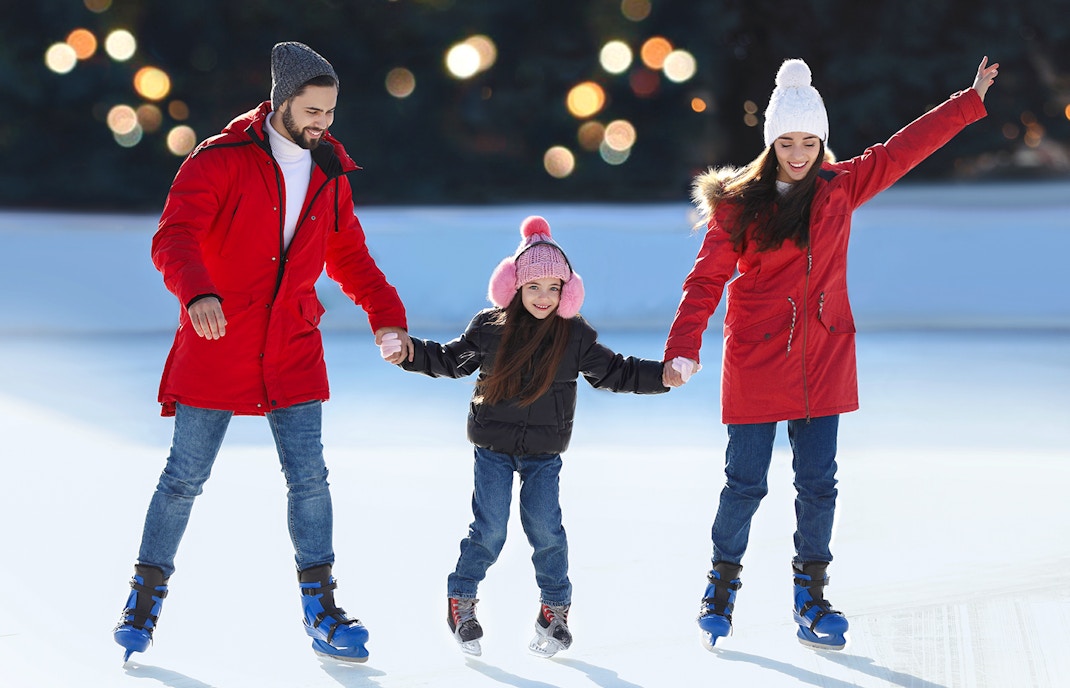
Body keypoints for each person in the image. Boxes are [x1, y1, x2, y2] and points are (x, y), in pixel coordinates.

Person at [662, 56, 999, 651]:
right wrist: (683, 347)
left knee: (819, 485)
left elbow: (900, 151)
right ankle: (720, 589)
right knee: (745, 484)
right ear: (770, 142)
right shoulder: (740, 204)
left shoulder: (839, 189)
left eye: (809, 141)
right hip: (758, 359)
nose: (798, 153)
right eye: (786, 142)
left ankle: (811, 598)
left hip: (822, 356)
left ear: (822, 140)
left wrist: (966, 102)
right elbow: (705, 280)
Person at [112, 41, 414, 664]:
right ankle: (144, 596)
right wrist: (196, 292)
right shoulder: (219, 160)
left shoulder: (328, 171)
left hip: (292, 347)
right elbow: (175, 236)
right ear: (281, 102)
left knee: (310, 480)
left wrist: (387, 319)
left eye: (330, 113)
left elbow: (350, 257)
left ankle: (322, 607)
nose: (323, 125)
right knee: (183, 479)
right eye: (312, 111)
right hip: (218, 341)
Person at [379, 215, 669, 657]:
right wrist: (409, 352)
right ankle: (461, 598)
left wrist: (663, 375)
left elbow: (615, 370)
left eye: (554, 288)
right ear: (514, 287)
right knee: (491, 529)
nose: (544, 297)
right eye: (534, 287)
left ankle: (554, 611)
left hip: (543, 454)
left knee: (546, 529)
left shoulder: (575, 335)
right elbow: (448, 359)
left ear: (567, 292)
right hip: (493, 448)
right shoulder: (491, 327)